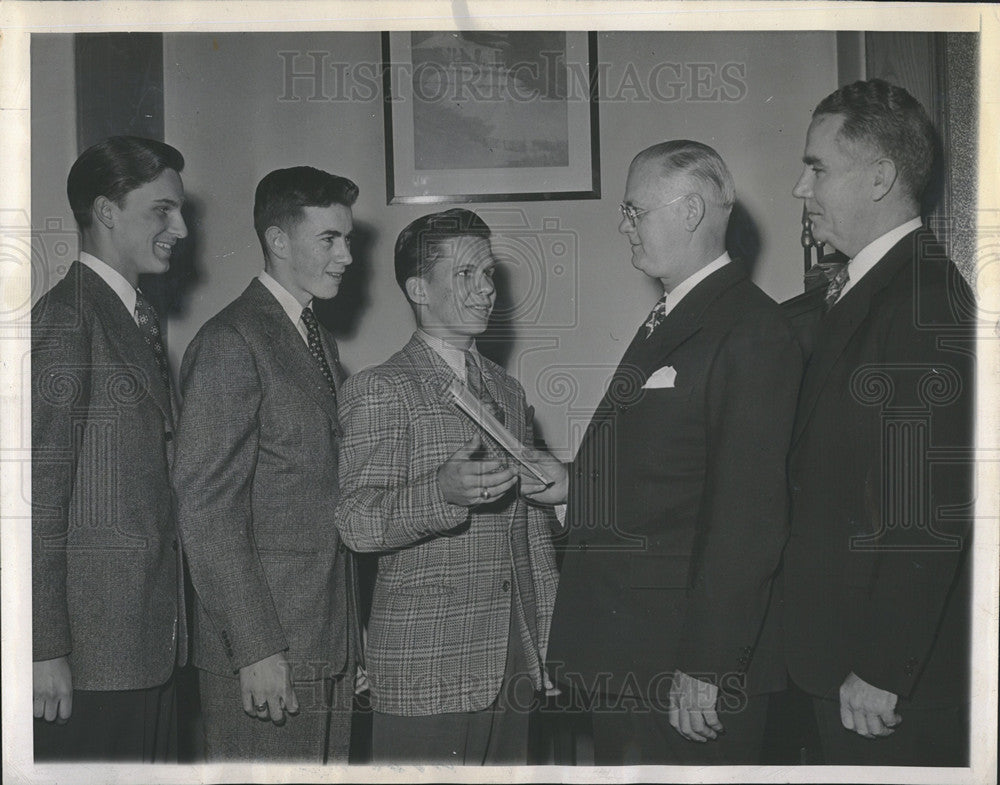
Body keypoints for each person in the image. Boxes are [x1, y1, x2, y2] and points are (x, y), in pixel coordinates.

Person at [533, 140, 803, 764]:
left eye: (634, 210)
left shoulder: (750, 328)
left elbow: (749, 516)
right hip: (637, 654)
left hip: (683, 670)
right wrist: (575, 483)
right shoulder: (676, 314)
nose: (624, 226)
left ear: (689, 211)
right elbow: (672, 472)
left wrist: (706, 667)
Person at [777, 79, 974, 766]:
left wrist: (883, 665)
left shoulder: (924, 299)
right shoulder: (873, 288)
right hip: (842, 661)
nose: (802, 188)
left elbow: (930, 507)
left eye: (818, 167)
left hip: (881, 684)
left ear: (881, 176)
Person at [334, 208, 559, 764]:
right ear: (418, 288)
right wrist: (439, 493)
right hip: (424, 665)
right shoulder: (380, 389)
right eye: (465, 275)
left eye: (488, 275)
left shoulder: (506, 390)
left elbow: (532, 537)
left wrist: (550, 644)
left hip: (511, 660)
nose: (486, 290)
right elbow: (355, 520)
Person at [171, 166, 361, 762]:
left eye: (348, 239)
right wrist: (254, 648)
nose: (348, 256)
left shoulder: (316, 340)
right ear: (278, 241)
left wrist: (349, 642)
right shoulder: (233, 341)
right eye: (330, 239)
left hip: (322, 644)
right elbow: (206, 509)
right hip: (265, 655)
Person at [32, 136, 189, 760]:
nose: (181, 226)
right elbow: (35, 500)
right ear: (106, 212)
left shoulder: (131, 317)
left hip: (144, 646)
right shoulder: (68, 318)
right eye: (162, 210)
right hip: (91, 661)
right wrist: (43, 648)